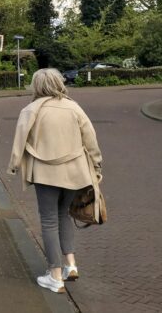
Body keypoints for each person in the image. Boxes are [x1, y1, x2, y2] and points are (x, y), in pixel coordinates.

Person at [8, 68, 102, 294]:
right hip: (74, 172)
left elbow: (19, 141)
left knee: (49, 221)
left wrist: (13, 165)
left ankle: (55, 275)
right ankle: (71, 265)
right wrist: (97, 165)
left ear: (37, 85)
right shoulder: (74, 107)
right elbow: (90, 139)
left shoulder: (30, 110)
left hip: (45, 174)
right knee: (64, 215)